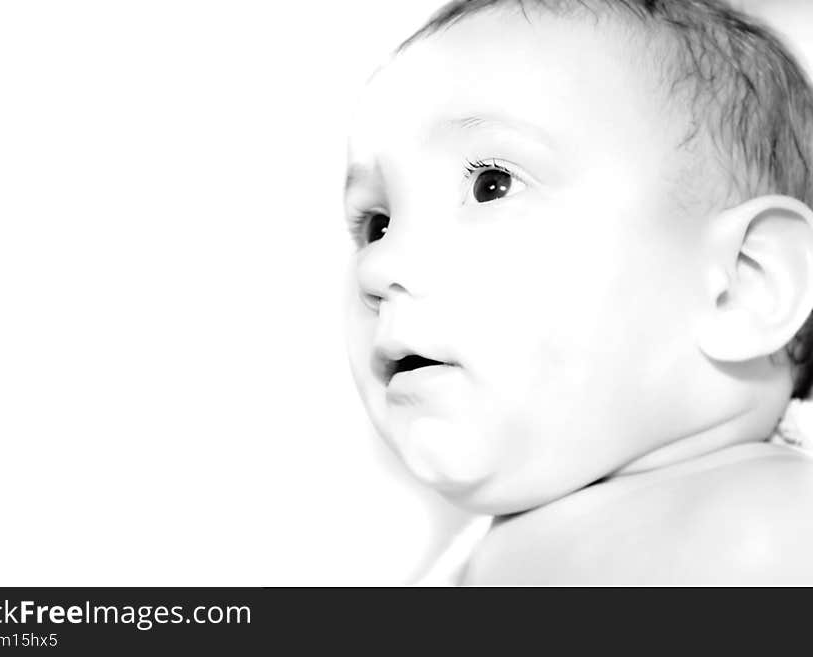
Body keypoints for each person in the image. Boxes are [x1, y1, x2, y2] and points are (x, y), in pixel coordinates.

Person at [342, 0, 813, 585]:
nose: (377, 264)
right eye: (375, 224)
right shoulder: (477, 548)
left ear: (742, 284)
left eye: (494, 184)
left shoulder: (773, 530)